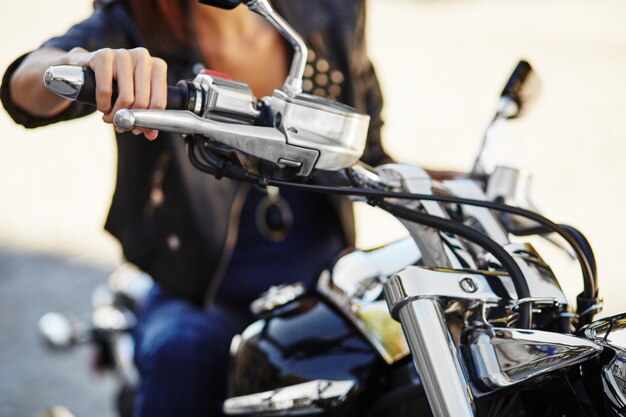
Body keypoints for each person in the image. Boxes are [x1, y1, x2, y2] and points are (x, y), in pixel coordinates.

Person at [1, 0, 391, 416]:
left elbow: (371, 156)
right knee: (180, 353)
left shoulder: (333, 11)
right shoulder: (134, 25)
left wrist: (466, 182)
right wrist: (86, 63)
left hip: (322, 287)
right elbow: (25, 88)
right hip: (198, 294)